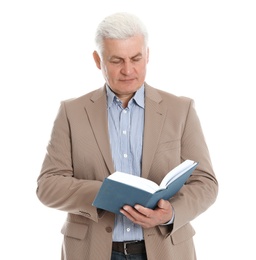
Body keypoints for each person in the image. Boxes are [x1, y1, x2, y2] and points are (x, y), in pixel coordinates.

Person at [36, 12, 218, 260]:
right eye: (116, 60)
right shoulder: (72, 112)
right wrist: (103, 194)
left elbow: (206, 183)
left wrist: (171, 212)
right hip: (93, 251)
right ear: (98, 60)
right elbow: (48, 186)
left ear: (148, 55)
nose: (128, 70)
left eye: (136, 58)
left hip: (166, 250)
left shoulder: (180, 110)